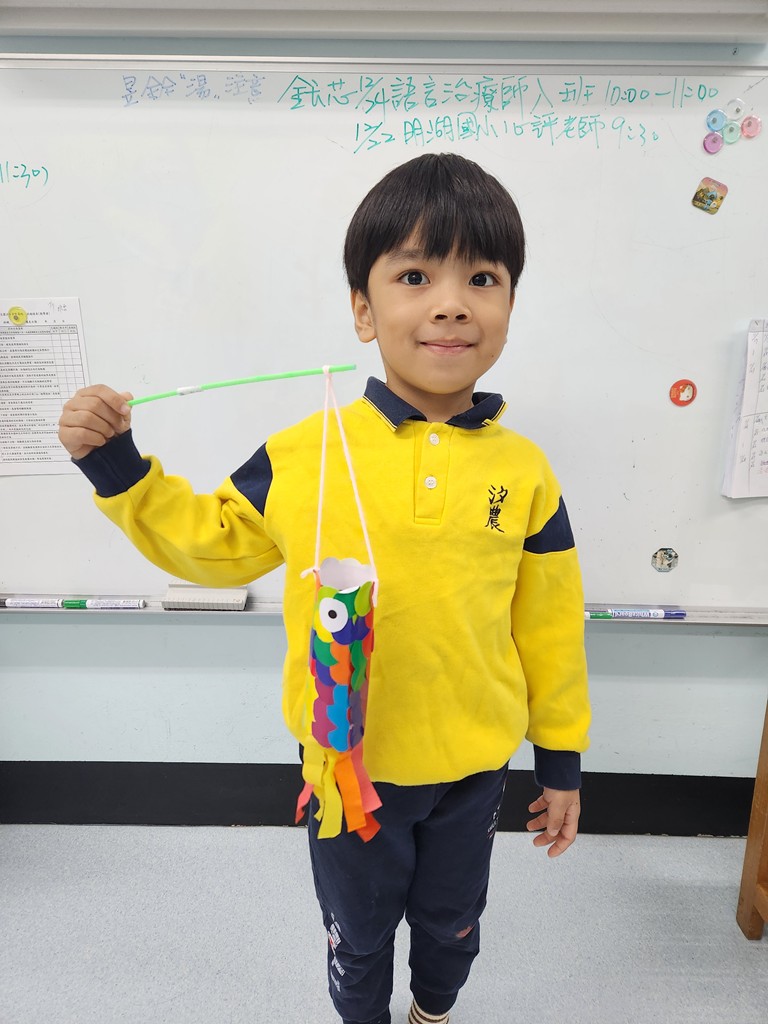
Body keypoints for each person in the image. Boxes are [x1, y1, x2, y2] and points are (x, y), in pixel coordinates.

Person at [58, 153, 591, 1024]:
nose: (451, 303)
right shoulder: (303, 453)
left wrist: (560, 760)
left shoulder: (526, 471)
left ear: (509, 305)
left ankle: (433, 1011)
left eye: (482, 278)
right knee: (359, 932)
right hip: (347, 770)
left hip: (475, 769)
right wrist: (116, 466)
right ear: (362, 310)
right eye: (414, 276)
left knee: (453, 926)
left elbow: (551, 625)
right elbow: (213, 546)